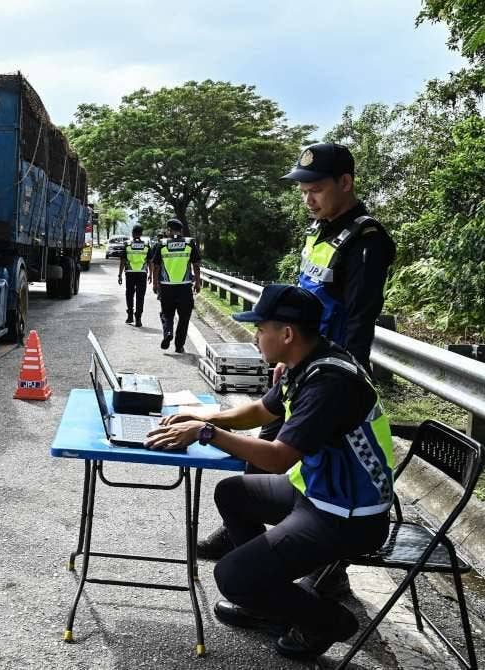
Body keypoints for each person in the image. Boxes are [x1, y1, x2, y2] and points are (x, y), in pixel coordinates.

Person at [145, 284, 393, 661]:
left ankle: (327, 621)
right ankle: (269, 599)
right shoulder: (308, 362)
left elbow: (277, 459)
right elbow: (262, 412)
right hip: (317, 494)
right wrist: (202, 416)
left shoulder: (329, 383)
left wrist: (205, 433)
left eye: (261, 329)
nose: (256, 336)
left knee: (231, 577)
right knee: (233, 493)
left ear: (287, 334)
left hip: (347, 517)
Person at [197, 143, 397, 584]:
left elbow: (360, 319)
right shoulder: (321, 231)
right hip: (300, 361)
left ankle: (330, 568)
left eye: (317, 190)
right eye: (303, 191)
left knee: (302, 458)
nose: (308, 199)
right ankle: (258, 546)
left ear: (345, 183)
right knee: (265, 447)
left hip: (326, 373)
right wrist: (288, 356)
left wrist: (333, 378)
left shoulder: (366, 240)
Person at [150, 218, 202, 353]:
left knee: (167, 314)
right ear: (181, 230)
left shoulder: (162, 244)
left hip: (166, 286)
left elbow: (156, 266)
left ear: (169, 230)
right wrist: (198, 282)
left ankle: (168, 332)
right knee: (184, 317)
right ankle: (179, 346)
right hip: (185, 287)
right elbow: (196, 265)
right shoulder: (189, 243)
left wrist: (155, 283)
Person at [117, 225, 151, 327]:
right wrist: (151, 275)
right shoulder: (146, 245)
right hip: (142, 274)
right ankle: (138, 319)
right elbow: (150, 261)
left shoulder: (127, 244)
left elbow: (123, 260)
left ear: (132, 233)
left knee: (129, 295)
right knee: (140, 296)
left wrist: (119, 275)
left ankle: (130, 316)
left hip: (130, 273)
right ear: (141, 233)